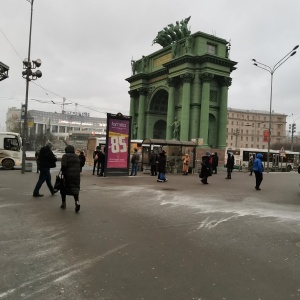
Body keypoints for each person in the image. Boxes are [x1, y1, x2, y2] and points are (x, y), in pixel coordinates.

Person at [59, 145, 81, 212]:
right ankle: (77, 202)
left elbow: (64, 165)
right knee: (75, 189)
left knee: (63, 188)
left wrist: (62, 170)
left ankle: (63, 203)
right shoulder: (77, 156)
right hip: (76, 176)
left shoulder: (65, 156)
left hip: (67, 175)